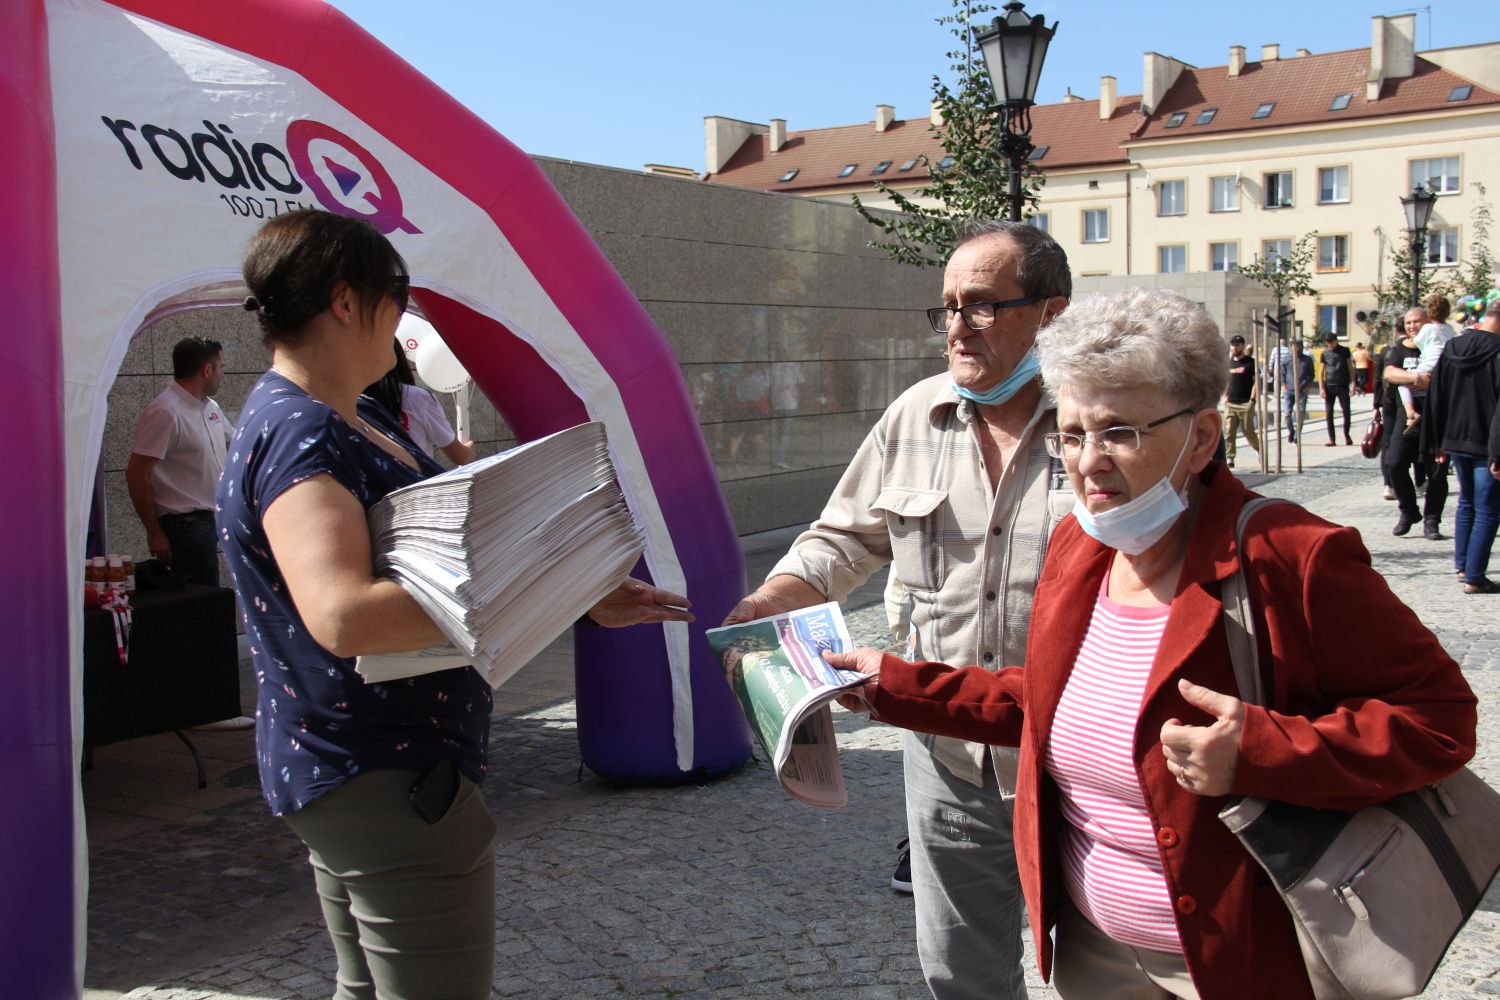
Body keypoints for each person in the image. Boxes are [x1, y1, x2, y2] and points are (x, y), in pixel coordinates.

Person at [828, 287, 1478, 1000]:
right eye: (1071, 436)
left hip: (1238, 956)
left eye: (1119, 433)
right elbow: (1048, 703)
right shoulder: (1081, 545)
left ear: (1201, 436)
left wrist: (1266, 752)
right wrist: (893, 687)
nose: (1088, 463)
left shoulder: (1293, 555)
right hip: (1093, 952)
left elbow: (1441, 718)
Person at [221, 209, 693, 1000]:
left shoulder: (354, 415)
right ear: (346, 301)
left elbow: (429, 575)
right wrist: (553, 577)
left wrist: (578, 593)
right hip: (381, 766)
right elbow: (346, 615)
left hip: (363, 758)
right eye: (399, 297)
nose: (406, 322)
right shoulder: (302, 430)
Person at [725, 218, 1074, 1000]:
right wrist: (763, 605)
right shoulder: (917, 415)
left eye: (981, 306)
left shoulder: (1096, 421)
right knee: (960, 972)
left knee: (1102, 965)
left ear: (1050, 315)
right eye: (947, 306)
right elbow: (838, 542)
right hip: (947, 752)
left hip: (1075, 755)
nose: (956, 326)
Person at [125, 336, 234, 586]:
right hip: (185, 525)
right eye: (221, 367)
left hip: (212, 519)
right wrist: (154, 532)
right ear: (207, 370)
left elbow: (236, 441)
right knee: (200, 604)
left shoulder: (210, 406)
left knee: (211, 599)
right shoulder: (165, 411)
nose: (222, 374)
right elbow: (136, 473)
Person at [1422, 299, 1500, 593]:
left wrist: (1437, 440)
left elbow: (1436, 395)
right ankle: (1475, 577)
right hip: (1486, 443)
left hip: (1454, 439)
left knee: (1467, 504)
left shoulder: (1453, 347)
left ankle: (1463, 565)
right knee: (1488, 509)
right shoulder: (1497, 351)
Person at [1384, 307, 1449, 539]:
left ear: (1428, 321)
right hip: (1408, 417)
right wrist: (1416, 378)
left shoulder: (1440, 345)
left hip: (1436, 417)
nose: (1412, 326)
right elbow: (1390, 373)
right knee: (1394, 463)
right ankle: (1409, 511)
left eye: (1417, 322)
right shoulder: (1400, 348)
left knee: (1437, 472)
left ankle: (1432, 521)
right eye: (1408, 322)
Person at [364, 338, 476, 464]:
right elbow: (461, 457)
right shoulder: (417, 398)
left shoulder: (352, 402)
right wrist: (470, 447)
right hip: (416, 480)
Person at [1399, 293, 1457, 436]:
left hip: (1427, 366)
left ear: (1429, 314)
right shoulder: (1451, 330)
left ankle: (1410, 413)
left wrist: (1402, 342)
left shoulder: (1427, 329)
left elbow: (1414, 343)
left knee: (1403, 385)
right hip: (1444, 369)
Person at [1221, 334, 1259, 469]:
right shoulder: (1229, 363)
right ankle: (1230, 457)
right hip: (1231, 402)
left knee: (1248, 432)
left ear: (1242, 346)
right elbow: (1226, 381)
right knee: (1229, 431)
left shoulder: (1250, 363)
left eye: (1237, 345)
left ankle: (1259, 450)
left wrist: (1252, 400)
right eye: (1232, 345)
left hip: (1245, 403)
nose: (1234, 347)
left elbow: (1257, 382)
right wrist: (1225, 395)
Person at [1318, 333, 1354, 446]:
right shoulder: (1325, 353)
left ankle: (1347, 435)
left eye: (1331, 342)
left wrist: (1353, 384)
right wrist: (1321, 388)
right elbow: (1321, 372)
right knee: (1329, 414)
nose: (1330, 344)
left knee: (1346, 411)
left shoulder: (1345, 351)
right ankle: (1332, 439)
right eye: (1327, 343)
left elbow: (1350, 368)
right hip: (1329, 386)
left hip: (1342, 386)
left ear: (1336, 341)